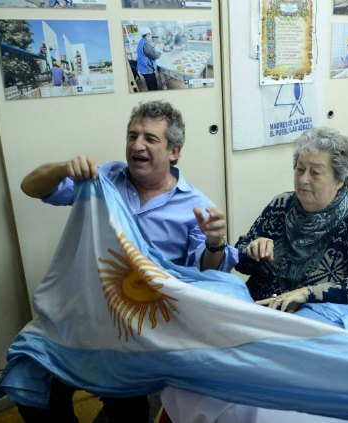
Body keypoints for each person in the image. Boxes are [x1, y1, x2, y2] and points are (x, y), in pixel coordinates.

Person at [17, 100, 237, 422]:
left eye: (150, 138)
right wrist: (64, 168)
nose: (137, 145)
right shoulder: (105, 179)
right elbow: (30, 187)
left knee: (127, 410)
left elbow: (205, 277)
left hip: (143, 324)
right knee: (33, 369)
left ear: (174, 151)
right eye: (132, 135)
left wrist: (215, 243)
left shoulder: (195, 205)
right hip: (89, 310)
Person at [235, 127, 348, 312]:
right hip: (259, 309)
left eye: (315, 172)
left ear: (340, 181)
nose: (303, 179)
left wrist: (308, 293)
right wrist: (252, 250)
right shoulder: (281, 205)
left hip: (312, 319)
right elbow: (240, 262)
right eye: (300, 169)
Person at [136, 26, 161, 91]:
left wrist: (152, 47)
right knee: (153, 87)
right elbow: (154, 55)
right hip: (147, 69)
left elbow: (147, 51)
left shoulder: (141, 41)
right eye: (150, 33)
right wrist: (160, 53)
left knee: (149, 84)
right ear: (147, 34)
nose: (151, 35)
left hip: (142, 68)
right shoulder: (146, 44)